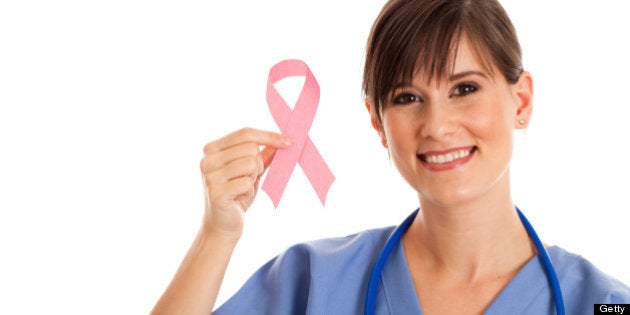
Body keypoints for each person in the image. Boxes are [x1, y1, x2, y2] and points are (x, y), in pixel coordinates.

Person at [152, 0, 630, 314]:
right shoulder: (313, 284)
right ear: (378, 123)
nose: (437, 126)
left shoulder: (603, 302)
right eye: (406, 98)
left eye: (465, 88)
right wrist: (217, 234)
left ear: (520, 102)